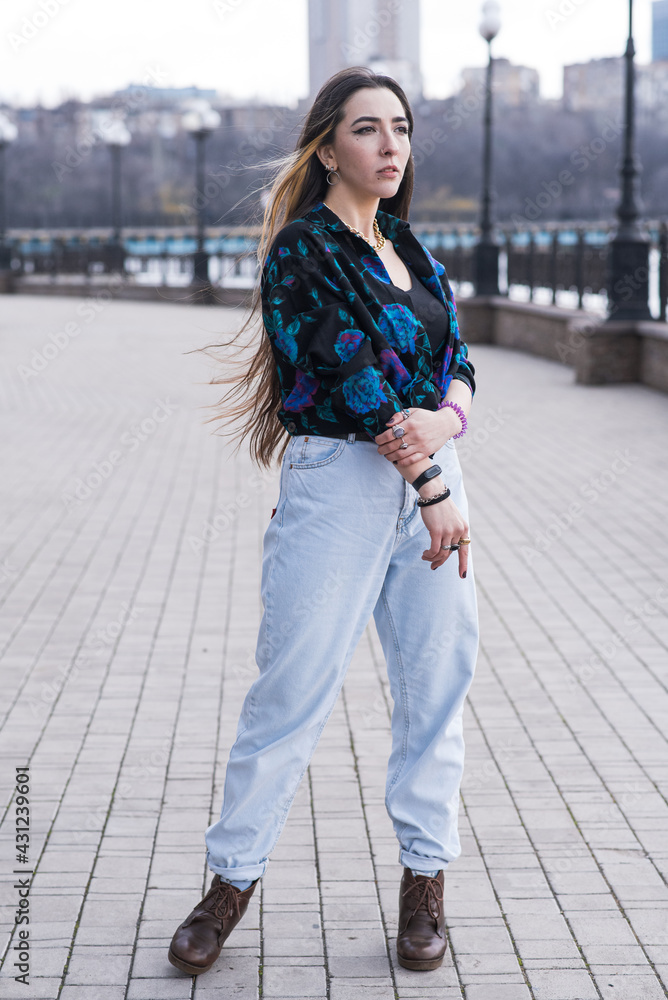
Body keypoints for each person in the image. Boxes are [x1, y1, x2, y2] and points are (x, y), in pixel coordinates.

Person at [168, 65, 479, 977]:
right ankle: (229, 885)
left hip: (432, 478)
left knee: (436, 689)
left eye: (401, 128)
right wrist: (431, 481)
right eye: (368, 129)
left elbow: (458, 359)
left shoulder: (408, 246)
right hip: (343, 486)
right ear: (329, 149)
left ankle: (425, 886)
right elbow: (354, 376)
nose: (391, 145)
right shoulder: (303, 251)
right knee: (291, 692)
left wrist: (448, 423)